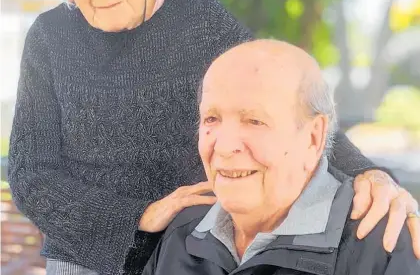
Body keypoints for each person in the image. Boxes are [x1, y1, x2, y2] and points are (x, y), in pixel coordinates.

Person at [7, 0, 419, 275]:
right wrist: (137, 217)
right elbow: (30, 172)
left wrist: (370, 174)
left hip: (188, 255)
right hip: (86, 258)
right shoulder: (49, 37)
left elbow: (285, 101)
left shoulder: (197, 19)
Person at [143, 40, 420, 275]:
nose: (224, 147)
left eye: (254, 121)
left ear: (313, 137)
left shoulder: (385, 246)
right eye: (211, 118)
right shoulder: (181, 232)